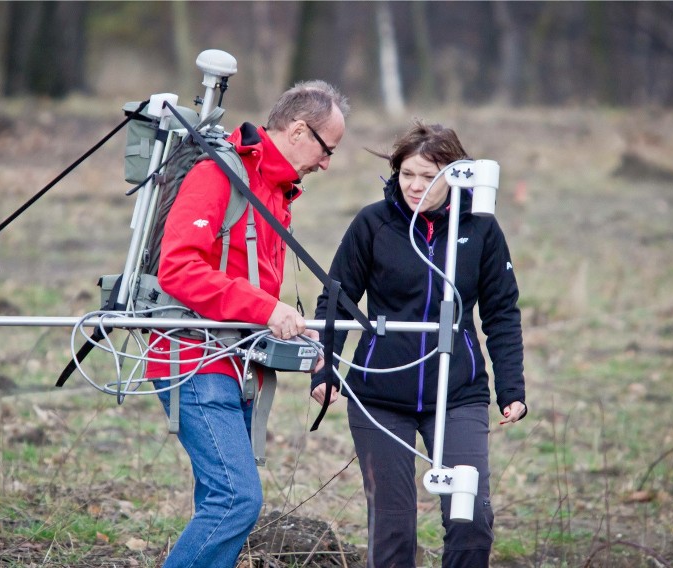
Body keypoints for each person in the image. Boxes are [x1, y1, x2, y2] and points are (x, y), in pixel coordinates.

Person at [144, 80, 347, 567]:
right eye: (327, 149)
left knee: (217, 499)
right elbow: (179, 268)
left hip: (231, 361)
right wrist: (266, 310)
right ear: (299, 130)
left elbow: (247, 282)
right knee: (236, 499)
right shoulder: (220, 174)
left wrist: (296, 334)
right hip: (192, 357)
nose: (326, 164)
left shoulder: (275, 189)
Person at [310, 120, 527, 568]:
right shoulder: (374, 223)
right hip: (379, 394)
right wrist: (324, 368)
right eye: (407, 174)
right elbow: (335, 301)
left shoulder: (481, 229)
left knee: (471, 517)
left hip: (459, 393)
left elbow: (502, 312)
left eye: (429, 177)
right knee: (393, 525)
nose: (415, 186)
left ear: (455, 175)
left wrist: (512, 388)